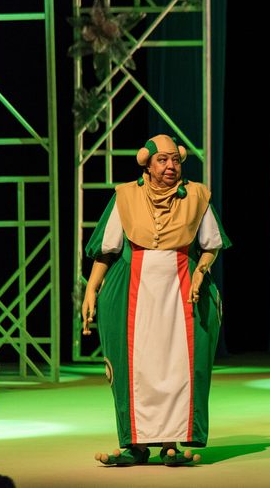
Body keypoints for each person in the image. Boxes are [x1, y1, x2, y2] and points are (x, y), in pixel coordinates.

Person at [82, 134, 231, 466]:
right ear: (147, 164)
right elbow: (106, 251)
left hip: (181, 294)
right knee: (136, 367)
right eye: (162, 160)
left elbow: (211, 245)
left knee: (176, 365)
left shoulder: (196, 195)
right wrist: (91, 289)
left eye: (175, 160)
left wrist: (200, 271)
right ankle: (135, 445)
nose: (170, 166)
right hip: (133, 294)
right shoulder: (126, 196)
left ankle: (170, 444)